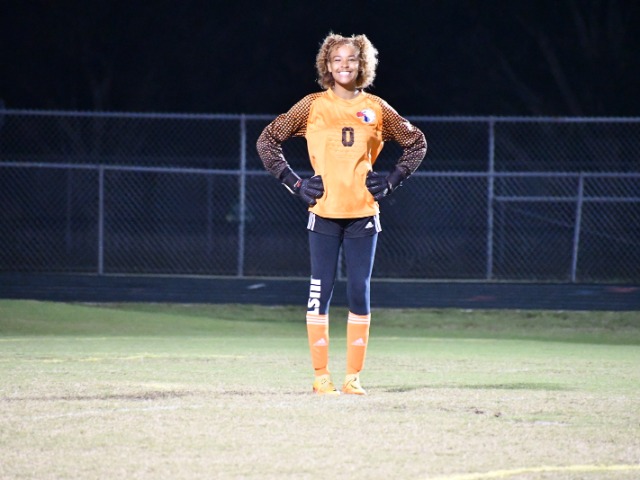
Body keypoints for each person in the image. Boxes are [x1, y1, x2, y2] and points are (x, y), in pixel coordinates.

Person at [256, 33, 427, 396]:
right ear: (327, 65)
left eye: (351, 59)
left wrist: (393, 180)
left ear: (362, 64)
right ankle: (321, 376)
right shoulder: (312, 106)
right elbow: (267, 140)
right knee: (319, 291)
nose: (344, 65)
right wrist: (295, 184)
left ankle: (352, 377)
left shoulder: (377, 108)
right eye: (337, 59)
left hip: (363, 213)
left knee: (359, 292)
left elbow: (417, 142)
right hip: (323, 213)